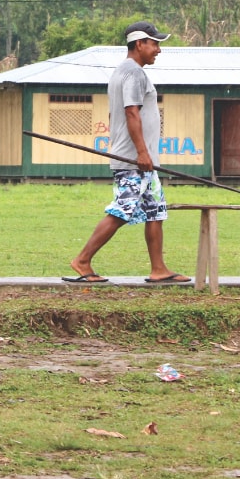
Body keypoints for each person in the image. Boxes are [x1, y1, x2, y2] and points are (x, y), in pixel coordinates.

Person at [67, 22, 188, 285]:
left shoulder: (124, 72)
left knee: (156, 212)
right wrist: (142, 153)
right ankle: (82, 260)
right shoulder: (133, 73)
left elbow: (116, 115)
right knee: (122, 211)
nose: (158, 50)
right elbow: (131, 112)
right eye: (154, 44)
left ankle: (159, 269)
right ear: (138, 44)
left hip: (144, 162)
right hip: (136, 161)